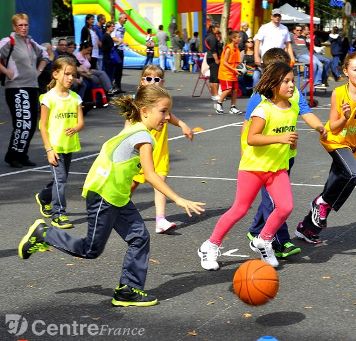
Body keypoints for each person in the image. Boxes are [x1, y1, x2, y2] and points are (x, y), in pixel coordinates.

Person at [19, 84, 205, 307]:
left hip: (117, 196)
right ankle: (44, 233)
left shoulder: (134, 124)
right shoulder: (143, 137)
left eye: (168, 112)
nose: (166, 118)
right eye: (163, 111)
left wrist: (174, 119)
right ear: (145, 110)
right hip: (104, 195)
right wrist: (178, 199)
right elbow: (150, 175)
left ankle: (128, 290)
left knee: (139, 238)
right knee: (90, 249)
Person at [198, 62, 299, 270]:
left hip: (277, 168)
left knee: (286, 206)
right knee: (240, 209)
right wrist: (280, 138)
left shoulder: (292, 108)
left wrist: (290, 144)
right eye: (286, 82)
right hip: (253, 168)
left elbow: (289, 136)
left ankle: (263, 240)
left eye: (293, 82)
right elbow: (252, 138)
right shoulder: (263, 110)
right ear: (273, 85)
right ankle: (210, 245)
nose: (291, 86)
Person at [244, 48, 326, 258]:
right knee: (276, 202)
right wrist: (246, 153)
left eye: (290, 77)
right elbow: (247, 130)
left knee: (271, 199)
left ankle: (255, 231)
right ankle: (280, 241)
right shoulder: (259, 98)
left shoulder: (294, 94)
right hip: (263, 159)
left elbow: (306, 113)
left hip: (285, 155)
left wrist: (320, 128)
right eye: (284, 78)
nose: (290, 83)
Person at [296, 52, 356, 243]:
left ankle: (306, 228)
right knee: (354, 173)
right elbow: (333, 125)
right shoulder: (339, 93)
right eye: (355, 69)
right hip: (334, 140)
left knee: (334, 185)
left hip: (352, 146)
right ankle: (320, 203)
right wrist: (344, 118)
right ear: (346, 71)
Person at [130, 65, 193, 233]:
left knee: (160, 184)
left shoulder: (162, 101)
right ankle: (115, 208)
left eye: (156, 79)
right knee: (131, 185)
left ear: (162, 82)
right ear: (142, 81)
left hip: (160, 151)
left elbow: (169, 116)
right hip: (142, 151)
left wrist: (182, 124)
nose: (152, 82)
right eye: (148, 78)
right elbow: (128, 127)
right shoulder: (137, 103)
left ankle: (160, 219)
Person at [35, 57, 84, 229]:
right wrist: (49, 149)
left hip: (68, 145)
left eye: (73, 75)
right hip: (54, 146)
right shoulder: (48, 98)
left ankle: (44, 197)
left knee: (60, 179)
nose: (71, 78)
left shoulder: (75, 98)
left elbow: (80, 122)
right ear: (55, 74)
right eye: (67, 74)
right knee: (61, 179)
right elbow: (43, 126)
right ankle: (59, 214)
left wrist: (76, 128)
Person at [0, 13, 49, 168]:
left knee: (31, 123)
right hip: (16, 87)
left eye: (25, 25)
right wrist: (7, 72)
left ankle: (22, 154)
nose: (23, 28)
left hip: (31, 86)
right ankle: (13, 156)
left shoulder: (31, 42)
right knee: (22, 123)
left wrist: (39, 71)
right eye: (20, 25)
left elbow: (46, 55)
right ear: (14, 26)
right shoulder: (9, 42)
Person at [253, 8, 295, 87]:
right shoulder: (264, 27)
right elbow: (257, 41)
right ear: (271, 17)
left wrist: (292, 57)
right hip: (267, 57)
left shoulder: (284, 28)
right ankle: (258, 96)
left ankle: (274, 96)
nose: (277, 17)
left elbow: (288, 44)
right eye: (275, 16)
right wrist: (256, 56)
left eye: (278, 16)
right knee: (266, 78)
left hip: (279, 58)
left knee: (278, 79)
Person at [215, 31, 242, 115]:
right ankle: (219, 103)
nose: (239, 38)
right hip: (225, 73)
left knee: (235, 90)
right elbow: (224, 62)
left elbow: (236, 62)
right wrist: (234, 69)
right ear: (233, 39)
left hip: (233, 73)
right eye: (238, 37)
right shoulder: (228, 48)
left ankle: (233, 107)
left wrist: (240, 69)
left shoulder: (237, 49)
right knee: (228, 89)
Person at [111, 13, 128, 93]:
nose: (126, 20)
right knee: (115, 69)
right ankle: (113, 87)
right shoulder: (115, 26)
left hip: (121, 49)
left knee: (120, 70)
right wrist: (120, 41)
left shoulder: (123, 27)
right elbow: (112, 37)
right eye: (125, 18)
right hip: (116, 49)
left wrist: (123, 43)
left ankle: (119, 87)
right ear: (120, 18)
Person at [205, 24, 221, 101]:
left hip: (210, 58)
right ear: (213, 28)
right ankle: (215, 94)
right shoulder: (212, 38)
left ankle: (213, 94)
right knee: (215, 77)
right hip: (213, 58)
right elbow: (213, 50)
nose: (219, 28)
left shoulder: (210, 36)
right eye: (218, 27)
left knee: (212, 77)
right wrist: (216, 59)